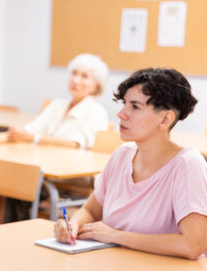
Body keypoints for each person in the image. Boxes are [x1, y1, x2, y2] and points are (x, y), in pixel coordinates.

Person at [54, 68, 207, 260]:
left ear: (165, 119)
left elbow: (192, 245)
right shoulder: (122, 155)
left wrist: (116, 236)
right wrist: (73, 225)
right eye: (124, 104)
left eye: (135, 107)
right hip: (117, 267)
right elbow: (91, 210)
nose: (121, 114)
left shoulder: (187, 164)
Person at [0, 53, 109, 149]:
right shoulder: (58, 104)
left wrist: (36, 139)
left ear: (95, 87)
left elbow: (75, 144)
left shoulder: (96, 111)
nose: (75, 80)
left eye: (84, 76)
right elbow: (32, 130)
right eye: (74, 73)